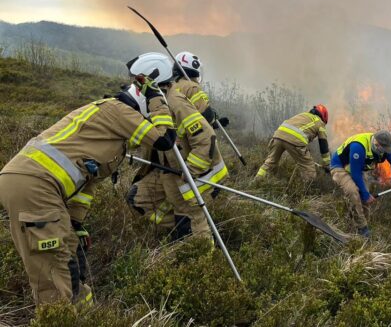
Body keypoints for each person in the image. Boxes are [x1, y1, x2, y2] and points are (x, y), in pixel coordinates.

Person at [0, 55, 177, 306]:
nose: (167, 103)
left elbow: (87, 181)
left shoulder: (113, 127)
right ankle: (57, 319)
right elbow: (164, 139)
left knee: (71, 255)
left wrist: (75, 222)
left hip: (37, 185)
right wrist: (157, 100)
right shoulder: (118, 111)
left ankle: (82, 314)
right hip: (35, 185)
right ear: (146, 91)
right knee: (53, 269)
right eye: (165, 92)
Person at [126, 52, 228, 241]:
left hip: (196, 173)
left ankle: (200, 253)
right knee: (138, 199)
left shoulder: (175, 103)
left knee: (191, 217)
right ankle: (183, 232)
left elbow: (206, 138)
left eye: (138, 81)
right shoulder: (158, 102)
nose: (136, 86)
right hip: (171, 170)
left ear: (153, 78)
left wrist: (191, 170)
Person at [330, 130, 391, 237]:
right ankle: (362, 229)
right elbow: (355, 174)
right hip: (340, 167)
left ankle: (355, 224)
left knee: (364, 200)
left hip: (358, 169)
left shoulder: (384, 147)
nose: (387, 151)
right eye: (385, 149)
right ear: (377, 144)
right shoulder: (358, 147)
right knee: (353, 192)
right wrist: (365, 194)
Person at [255, 105, 330, 182]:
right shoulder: (320, 123)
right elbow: (323, 144)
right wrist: (327, 164)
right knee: (309, 168)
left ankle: (256, 182)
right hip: (295, 141)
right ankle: (306, 190)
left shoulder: (303, 115)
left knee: (270, 162)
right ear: (324, 117)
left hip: (278, 136)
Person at [171, 51, 229, 130]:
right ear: (193, 72)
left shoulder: (172, 86)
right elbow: (206, 116)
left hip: (173, 135)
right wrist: (213, 117)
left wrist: (215, 124)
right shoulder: (192, 87)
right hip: (189, 138)